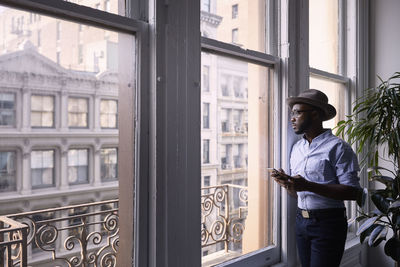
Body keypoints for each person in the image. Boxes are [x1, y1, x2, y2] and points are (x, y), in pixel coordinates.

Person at [271, 89, 361, 267]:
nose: (292, 118)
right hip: (301, 222)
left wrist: (308, 185)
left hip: (328, 223)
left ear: (315, 114)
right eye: (292, 113)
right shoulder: (297, 149)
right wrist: (288, 185)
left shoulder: (339, 148)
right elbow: (299, 193)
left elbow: (353, 192)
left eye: (297, 112)